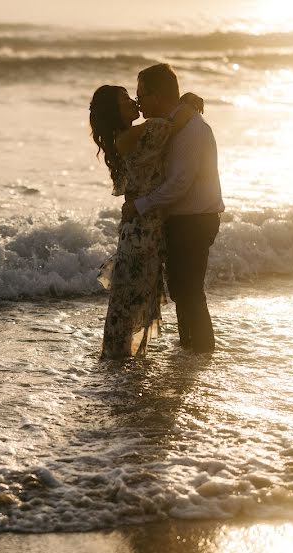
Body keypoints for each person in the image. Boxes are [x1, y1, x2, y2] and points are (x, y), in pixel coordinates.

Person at [90, 83, 200, 358]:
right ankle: (116, 360)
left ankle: (120, 367)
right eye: (125, 99)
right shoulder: (129, 137)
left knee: (133, 299)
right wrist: (186, 103)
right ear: (115, 111)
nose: (133, 102)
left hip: (145, 226)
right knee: (129, 302)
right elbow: (172, 123)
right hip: (141, 231)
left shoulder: (129, 135)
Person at [122, 64, 224, 353]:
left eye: (141, 93)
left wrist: (139, 206)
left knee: (190, 290)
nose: (138, 100)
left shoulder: (191, 129)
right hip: (183, 218)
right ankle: (189, 346)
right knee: (180, 290)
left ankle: (202, 351)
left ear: (157, 95)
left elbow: (179, 183)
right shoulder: (172, 125)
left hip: (196, 219)